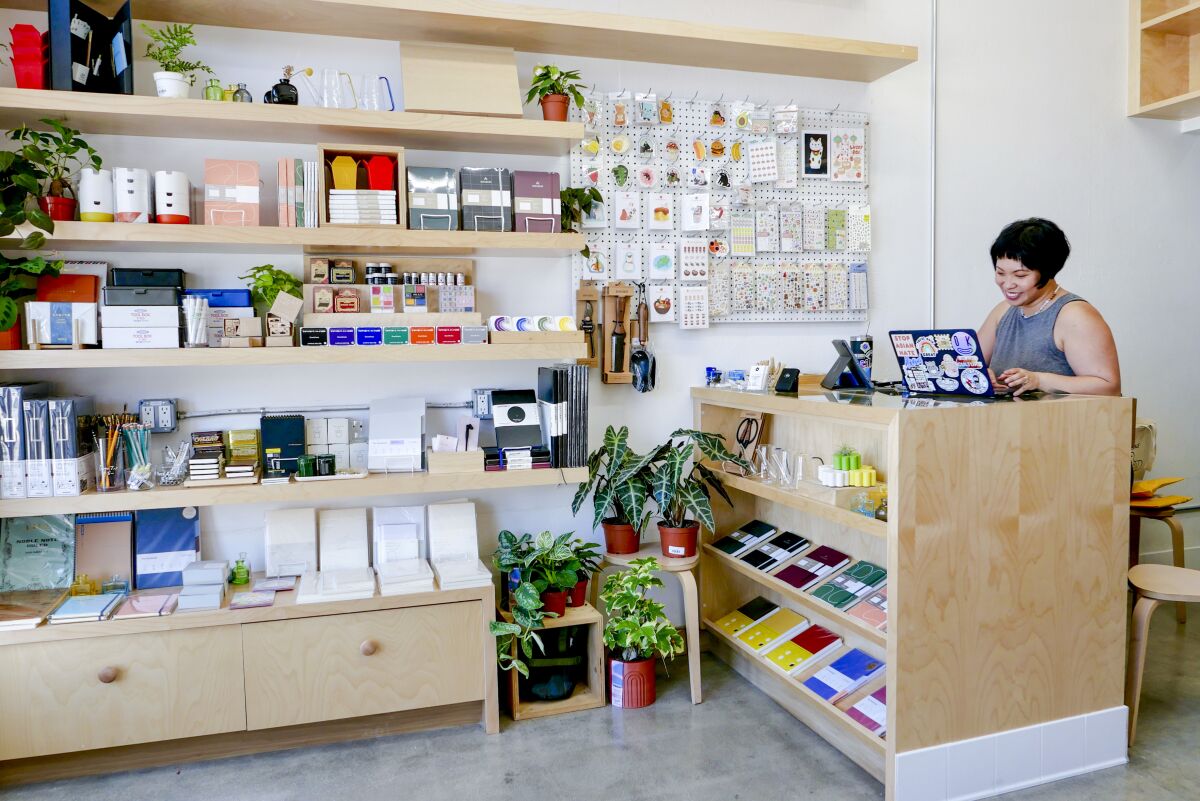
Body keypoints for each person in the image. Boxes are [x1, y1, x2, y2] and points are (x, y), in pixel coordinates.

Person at [978, 218, 1120, 396]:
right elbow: (968, 364)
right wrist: (981, 375)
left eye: (1020, 275)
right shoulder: (1003, 310)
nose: (1007, 284)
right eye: (1000, 273)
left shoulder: (1075, 316)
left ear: (1047, 271)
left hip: (1060, 421)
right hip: (1007, 421)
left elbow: (1109, 388)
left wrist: (1039, 380)